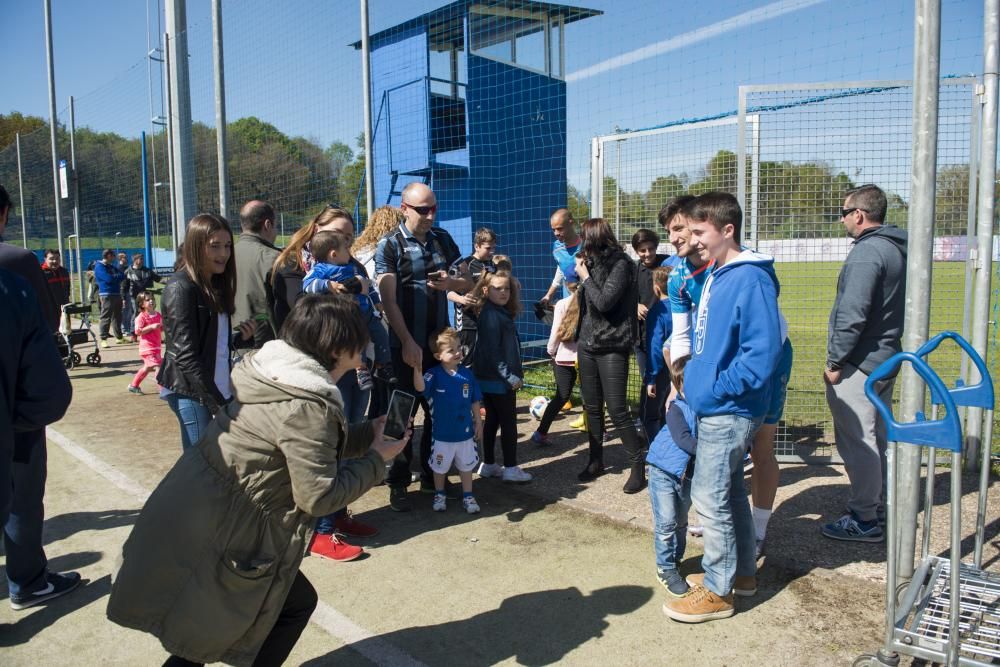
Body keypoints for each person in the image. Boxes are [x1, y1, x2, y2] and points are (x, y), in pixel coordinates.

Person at [107, 293, 408, 666]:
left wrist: (367, 435)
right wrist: (378, 460)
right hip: (228, 530)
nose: (366, 340)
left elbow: (300, 448)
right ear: (335, 346)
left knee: (213, 624)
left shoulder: (278, 375)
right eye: (359, 333)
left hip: (206, 514)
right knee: (215, 629)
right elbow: (318, 496)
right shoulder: (306, 405)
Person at [662, 192, 782, 624]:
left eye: (699, 232)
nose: (691, 240)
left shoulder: (750, 278)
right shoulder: (717, 272)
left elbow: (762, 353)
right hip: (719, 403)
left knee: (709, 497)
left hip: (730, 407)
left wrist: (713, 389)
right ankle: (742, 576)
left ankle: (717, 590)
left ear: (726, 230)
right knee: (729, 494)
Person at [271, 206, 380, 560]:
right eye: (340, 234)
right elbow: (298, 311)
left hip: (351, 364)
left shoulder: (352, 264)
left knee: (348, 441)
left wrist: (361, 288)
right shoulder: (294, 266)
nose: (347, 241)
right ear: (320, 232)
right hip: (315, 370)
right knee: (323, 448)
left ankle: (338, 513)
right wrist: (332, 290)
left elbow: (370, 295)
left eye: (350, 236)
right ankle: (320, 530)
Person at [0, 185, 78, 609]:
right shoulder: (15, 263)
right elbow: (46, 323)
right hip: (15, 409)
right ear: (5, 214)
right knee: (22, 498)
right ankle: (27, 580)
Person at [375, 183, 470, 511]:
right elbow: (387, 300)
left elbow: (468, 280)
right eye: (422, 210)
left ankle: (434, 476)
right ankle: (398, 482)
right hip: (405, 344)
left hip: (437, 344)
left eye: (433, 208)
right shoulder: (390, 245)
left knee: (439, 412)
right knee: (402, 413)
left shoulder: (443, 238)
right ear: (404, 208)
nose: (430, 215)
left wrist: (452, 284)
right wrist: (406, 342)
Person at [822, 184, 906, 543]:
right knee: (876, 437)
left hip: (861, 362)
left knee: (860, 440)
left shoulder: (868, 253)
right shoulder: (893, 247)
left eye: (843, 213)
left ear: (859, 214)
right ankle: (876, 504)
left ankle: (864, 517)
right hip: (884, 356)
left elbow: (852, 315)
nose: (842, 220)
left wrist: (835, 361)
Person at [158, 214, 256, 451]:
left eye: (227, 246)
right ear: (196, 246)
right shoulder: (181, 288)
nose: (223, 254)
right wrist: (217, 404)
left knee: (213, 462)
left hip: (214, 388)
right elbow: (185, 355)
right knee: (200, 463)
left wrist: (238, 339)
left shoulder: (213, 285)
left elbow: (209, 343)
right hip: (191, 391)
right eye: (215, 246)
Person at [572, 218, 646, 493]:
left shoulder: (621, 264)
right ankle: (596, 461)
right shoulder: (590, 262)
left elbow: (604, 302)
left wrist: (585, 278)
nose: (581, 244)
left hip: (613, 345)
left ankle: (638, 466)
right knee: (591, 406)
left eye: (584, 239)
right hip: (588, 344)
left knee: (616, 410)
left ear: (594, 239)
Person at [303, 229, 394, 389]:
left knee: (381, 335)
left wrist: (376, 301)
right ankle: (361, 370)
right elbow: (307, 284)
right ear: (333, 254)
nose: (349, 252)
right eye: (346, 249)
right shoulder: (321, 270)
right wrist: (328, 285)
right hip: (347, 316)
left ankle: (383, 365)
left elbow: (367, 284)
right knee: (357, 343)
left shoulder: (353, 267)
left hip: (366, 312)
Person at [469, 270, 532, 483]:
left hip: (490, 378)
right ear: (486, 291)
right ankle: (511, 468)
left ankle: (488, 464)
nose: (503, 292)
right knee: (508, 423)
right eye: (497, 288)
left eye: (506, 288)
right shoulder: (492, 314)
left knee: (493, 421)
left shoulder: (495, 312)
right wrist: (510, 377)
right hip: (498, 380)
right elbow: (493, 352)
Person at [413, 328, 484, 513]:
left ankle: (468, 495)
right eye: (451, 350)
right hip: (442, 436)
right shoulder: (433, 374)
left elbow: (474, 400)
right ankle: (439, 493)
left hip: (465, 434)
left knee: (466, 466)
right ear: (438, 356)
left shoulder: (467, 374)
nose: (458, 352)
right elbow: (420, 387)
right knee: (440, 468)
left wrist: (478, 421)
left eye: (459, 347)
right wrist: (417, 368)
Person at [647, 355, 697, 599]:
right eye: (690, 385)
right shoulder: (676, 408)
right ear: (679, 386)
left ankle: (676, 560)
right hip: (663, 471)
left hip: (687, 476)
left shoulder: (707, 410)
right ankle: (665, 568)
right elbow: (685, 440)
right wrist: (715, 450)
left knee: (681, 520)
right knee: (666, 522)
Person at [530, 282, 579, 445]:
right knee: (592, 397)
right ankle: (601, 432)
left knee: (561, 396)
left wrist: (551, 351)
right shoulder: (591, 300)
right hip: (586, 357)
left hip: (564, 357)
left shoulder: (561, 304)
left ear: (567, 284)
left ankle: (541, 433)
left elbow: (555, 331)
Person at [234, 199, 281, 348]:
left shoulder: (223, 256)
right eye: (276, 226)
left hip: (229, 343)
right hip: (265, 348)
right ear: (268, 225)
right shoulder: (275, 258)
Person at [448, 227, 497, 362]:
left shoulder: (492, 265)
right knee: (467, 362)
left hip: (488, 321)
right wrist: (462, 299)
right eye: (488, 248)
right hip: (467, 323)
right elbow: (449, 292)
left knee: (486, 361)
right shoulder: (464, 265)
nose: (492, 252)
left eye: (494, 248)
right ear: (477, 246)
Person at [641, 266, 673, 441]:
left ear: (656, 288)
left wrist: (651, 377)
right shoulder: (687, 307)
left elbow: (655, 346)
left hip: (661, 371)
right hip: (683, 368)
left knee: (650, 414)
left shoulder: (657, 311)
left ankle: (658, 453)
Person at [539, 208, 581, 305]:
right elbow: (561, 269)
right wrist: (549, 295)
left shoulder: (586, 245)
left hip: (588, 303)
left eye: (560, 228)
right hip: (569, 301)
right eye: (554, 230)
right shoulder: (556, 247)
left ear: (571, 223)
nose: (556, 233)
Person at [128, 291, 163, 395]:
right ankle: (163, 390)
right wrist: (151, 327)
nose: (151, 301)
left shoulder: (158, 315)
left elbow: (160, 329)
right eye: (147, 300)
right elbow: (138, 331)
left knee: (147, 368)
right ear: (141, 304)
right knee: (159, 367)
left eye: (152, 298)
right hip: (147, 348)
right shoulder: (141, 317)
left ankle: (134, 385)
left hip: (156, 346)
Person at [122, 253, 162, 343]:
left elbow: (158, 279)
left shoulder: (147, 271)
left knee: (150, 313)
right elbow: (124, 286)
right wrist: (123, 297)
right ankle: (134, 334)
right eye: (140, 259)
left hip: (147, 296)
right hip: (134, 296)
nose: (142, 261)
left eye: (142, 259)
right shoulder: (128, 271)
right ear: (135, 260)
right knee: (136, 313)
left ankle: (151, 333)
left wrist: (171, 281)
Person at [93, 248, 126, 346]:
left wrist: (116, 277)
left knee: (117, 316)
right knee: (106, 317)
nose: (114, 258)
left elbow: (122, 275)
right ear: (108, 256)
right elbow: (108, 278)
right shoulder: (99, 266)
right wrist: (117, 277)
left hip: (116, 293)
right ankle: (103, 339)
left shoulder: (111, 266)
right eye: (113, 256)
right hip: (106, 294)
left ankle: (119, 337)